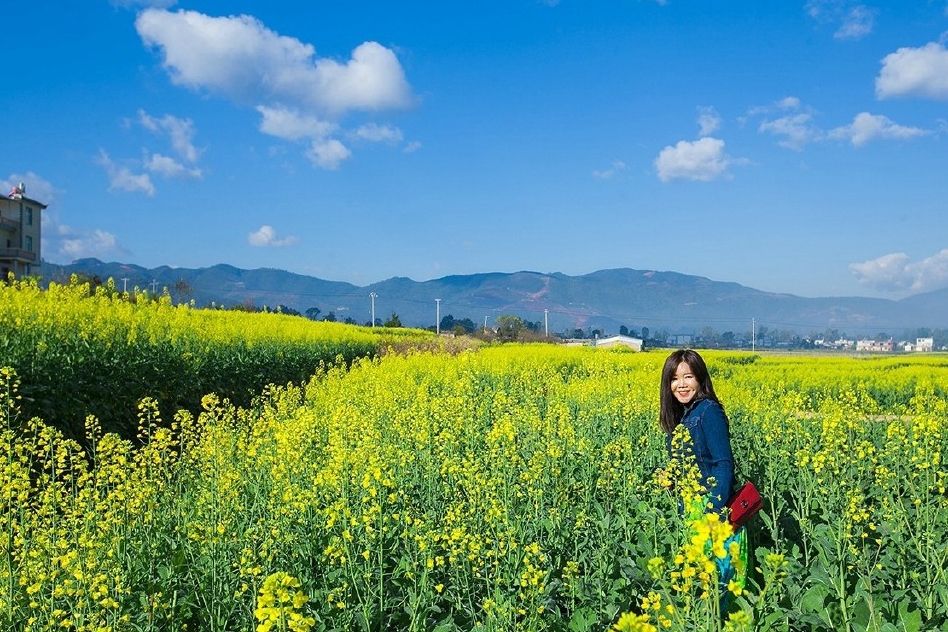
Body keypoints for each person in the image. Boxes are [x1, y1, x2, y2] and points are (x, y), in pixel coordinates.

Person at [658, 349, 748, 611]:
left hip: (712, 514)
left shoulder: (709, 411)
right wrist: (671, 476)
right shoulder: (684, 416)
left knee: (721, 592)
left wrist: (713, 513)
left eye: (688, 377)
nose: (681, 384)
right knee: (700, 589)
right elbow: (694, 461)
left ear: (700, 379)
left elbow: (723, 464)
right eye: (674, 379)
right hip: (690, 510)